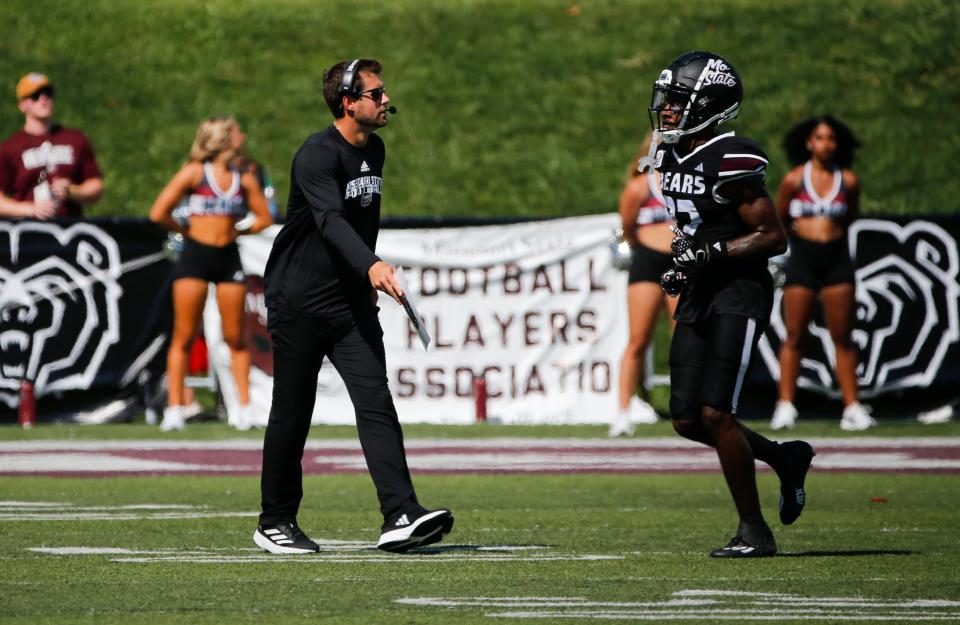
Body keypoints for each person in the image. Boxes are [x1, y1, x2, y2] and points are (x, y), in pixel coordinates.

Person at [253, 59, 453, 555]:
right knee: (293, 412)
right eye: (376, 93)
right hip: (298, 299)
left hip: (348, 303)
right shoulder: (315, 155)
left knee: (376, 401)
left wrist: (362, 278)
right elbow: (330, 221)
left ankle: (400, 513)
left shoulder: (376, 149)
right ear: (348, 102)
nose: (386, 100)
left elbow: (362, 222)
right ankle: (275, 520)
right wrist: (372, 266)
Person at [649, 51, 815, 557]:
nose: (668, 110)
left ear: (710, 105)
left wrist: (711, 252)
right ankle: (783, 459)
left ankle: (754, 531)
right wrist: (685, 261)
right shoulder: (670, 154)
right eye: (667, 100)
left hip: (738, 292)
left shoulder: (731, 155)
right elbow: (692, 229)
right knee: (686, 418)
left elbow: (772, 236)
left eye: (679, 101)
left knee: (716, 412)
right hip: (703, 290)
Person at [149, 116, 273, 432]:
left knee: (236, 336)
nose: (242, 137)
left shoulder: (243, 176)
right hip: (195, 258)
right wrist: (185, 231)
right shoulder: (194, 173)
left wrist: (238, 230)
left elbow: (263, 217)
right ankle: (175, 408)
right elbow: (158, 211)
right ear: (223, 140)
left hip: (227, 257)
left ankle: (242, 409)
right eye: (236, 133)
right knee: (184, 335)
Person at [769, 116, 874, 431]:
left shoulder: (849, 181)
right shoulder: (794, 179)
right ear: (808, 143)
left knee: (842, 336)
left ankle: (852, 406)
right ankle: (785, 405)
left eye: (830, 138)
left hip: (837, 260)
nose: (825, 144)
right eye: (819, 138)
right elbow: (782, 217)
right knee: (795, 335)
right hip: (803, 259)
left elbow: (850, 216)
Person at [609, 134, 677, 437]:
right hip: (648, 262)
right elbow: (628, 229)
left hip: (682, 263)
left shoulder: (689, 185)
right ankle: (623, 411)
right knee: (638, 339)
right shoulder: (639, 187)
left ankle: (688, 406)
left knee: (684, 337)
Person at [0, 72, 103, 219]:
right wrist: (31, 209)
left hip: (69, 230)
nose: (43, 99)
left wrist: (72, 191)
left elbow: (95, 186)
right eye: (35, 96)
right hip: (28, 234)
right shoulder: (10, 148)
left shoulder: (75, 139)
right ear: (22, 105)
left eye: (47, 93)